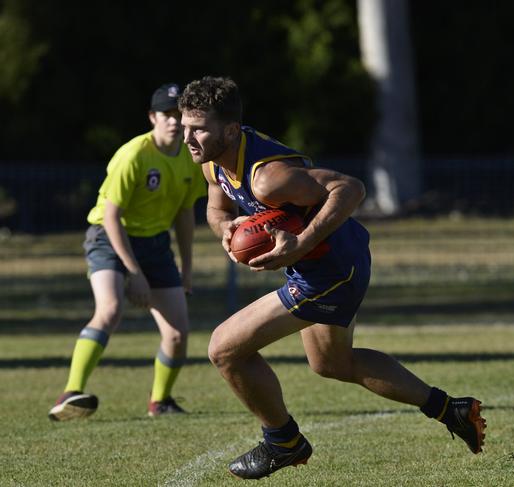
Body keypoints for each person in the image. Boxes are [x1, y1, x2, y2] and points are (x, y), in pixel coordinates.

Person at [179, 76, 486, 480]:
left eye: (198, 128)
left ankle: (283, 441)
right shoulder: (213, 161)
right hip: (328, 262)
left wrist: (301, 242)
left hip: (330, 271)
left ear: (231, 130)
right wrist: (226, 229)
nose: (187, 137)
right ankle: (453, 410)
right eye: (184, 125)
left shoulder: (268, 178)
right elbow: (216, 210)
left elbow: (351, 188)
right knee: (332, 363)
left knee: (223, 349)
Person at [48, 83, 207, 421]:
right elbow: (110, 217)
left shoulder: (191, 159)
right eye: (166, 114)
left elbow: (184, 216)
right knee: (110, 308)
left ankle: (160, 402)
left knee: (178, 333)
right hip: (109, 237)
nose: (174, 122)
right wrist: (133, 273)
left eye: (178, 114)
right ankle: (71, 391)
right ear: (152, 117)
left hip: (155, 244)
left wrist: (187, 268)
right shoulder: (134, 154)